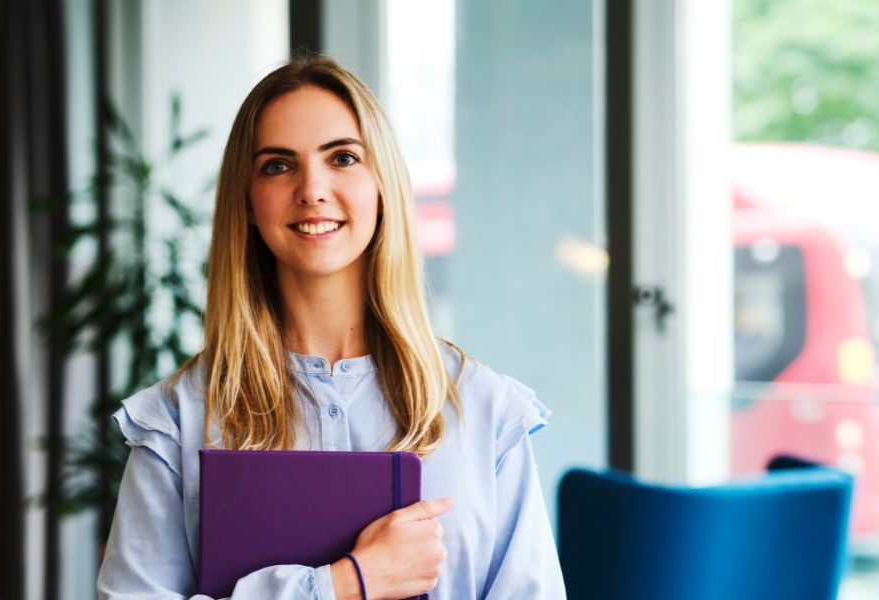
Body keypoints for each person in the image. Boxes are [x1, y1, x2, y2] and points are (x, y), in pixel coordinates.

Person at [96, 55, 566, 600]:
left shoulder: (485, 410)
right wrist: (344, 585)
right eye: (278, 165)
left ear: (382, 185)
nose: (312, 189)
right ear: (247, 202)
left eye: (343, 158)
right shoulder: (178, 420)